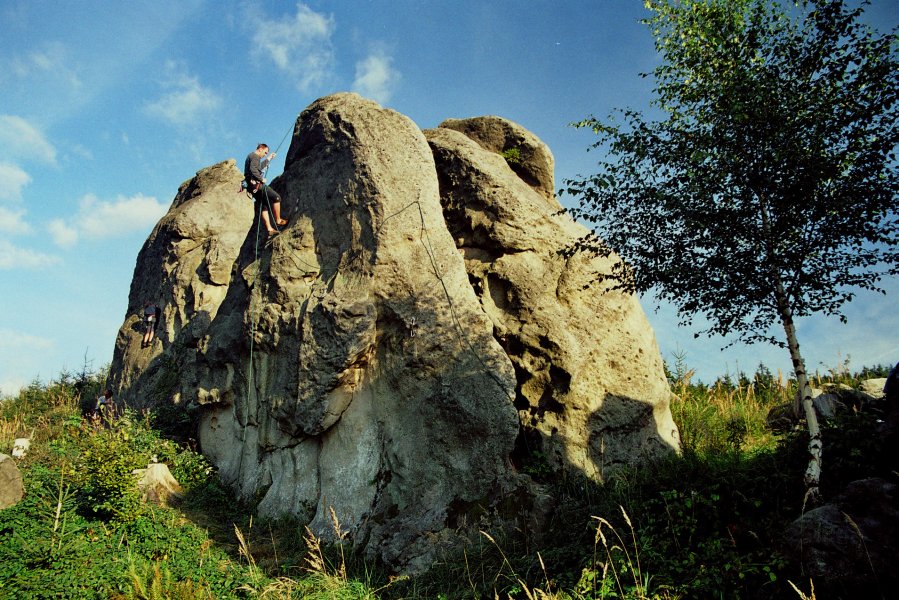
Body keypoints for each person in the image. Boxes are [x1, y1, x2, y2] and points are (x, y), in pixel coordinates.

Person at [244, 143, 287, 236]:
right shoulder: (255, 156)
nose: (265, 154)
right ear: (260, 149)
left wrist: (269, 159)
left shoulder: (251, 157)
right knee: (276, 197)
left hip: (251, 187)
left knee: (264, 205)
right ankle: (278, 220)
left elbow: (258, 167)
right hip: (256, 185)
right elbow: (253, 169)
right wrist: (261, 179)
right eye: (265, 152)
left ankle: (269, 229)